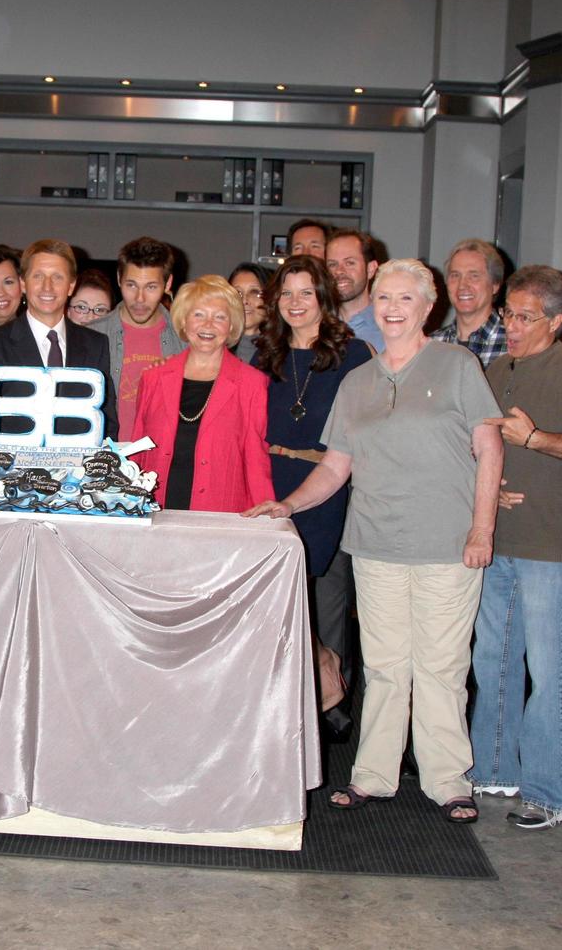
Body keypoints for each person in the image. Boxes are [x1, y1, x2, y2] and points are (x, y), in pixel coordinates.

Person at [246, 258, 503, 825]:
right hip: (375, 544)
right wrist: (287, 504)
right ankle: (373, 776)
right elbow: (337, 466)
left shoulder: (457, 364)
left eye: (405, 299)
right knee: (385, 666)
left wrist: (482, 529)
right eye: (383, 297)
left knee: (440, 667)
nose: (391, 308)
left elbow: (490, 448)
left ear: (426, 307)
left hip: (447, 546)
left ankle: (447, 781)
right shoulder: (358, 378)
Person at [468, 266, 562, 830]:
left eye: (525, 316)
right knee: (494, 662)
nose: (511, 324)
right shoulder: (497, 366)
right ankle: (496, 769)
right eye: (508, 313)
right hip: (499, 539)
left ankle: (550, 793)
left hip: (551, 549)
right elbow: (476, 440)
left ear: (556, 321)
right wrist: (488, 485)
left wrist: (535, 439)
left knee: (549, 672)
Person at [253, 254, 371, 731]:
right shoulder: (265, 353)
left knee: (324, 598)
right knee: (277, 601)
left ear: (324, 296)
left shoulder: (355, 356)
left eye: (306, 292)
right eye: (286, 293)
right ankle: (289, 702)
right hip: (268, 482)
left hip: (328, 484)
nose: (295, 303)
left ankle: (329, 701)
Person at [132, 275, 272, 511]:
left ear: (231, 327)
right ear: (184, 322)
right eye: (199, 315)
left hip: (221, 511)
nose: (208, 325)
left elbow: (256, 457)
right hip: (155, 507)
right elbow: (138, 448)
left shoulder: (252, 383)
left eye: (219, 317)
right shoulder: (153, 378)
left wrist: (263, 511)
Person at [0, 239, 118, 442]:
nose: (47, 287)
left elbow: (107, 423)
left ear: (71, 286)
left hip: (80, 470)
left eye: (57, 277)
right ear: (23, 283)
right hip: (11, 471)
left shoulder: (96, 344)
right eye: (38, 276)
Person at [88, 237, 185, 439]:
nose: (140, 299)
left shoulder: (185, 339)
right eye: (131, 285)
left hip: (164, 458)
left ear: (168, 284)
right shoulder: (91, 336)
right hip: (105, 459)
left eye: (150, 287)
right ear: (118, 279)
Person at [433, 238, 508, 367]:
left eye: (474, 276)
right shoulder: (432, 345)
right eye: (455, 275)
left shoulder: (513, 344)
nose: (462, 285)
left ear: (495, 284)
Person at [325, 228, 384, 353]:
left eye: (349, 263)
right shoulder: (315, 324)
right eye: (332, 264)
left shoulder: (389, 326)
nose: (339, 271)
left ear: (371, 269)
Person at [229, 262, 270, 366]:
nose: (244, 300)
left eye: (255, 292)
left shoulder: (284, 352)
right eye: (237, 293)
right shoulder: (214, 346)